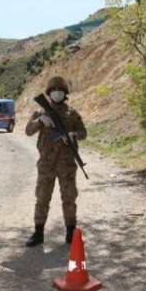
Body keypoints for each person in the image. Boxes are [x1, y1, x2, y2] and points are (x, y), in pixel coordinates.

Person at [25, 76, 87, 247]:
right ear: (49, 93)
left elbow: (84, 132)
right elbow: (28, 131)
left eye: (59, 89)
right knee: (42, 197)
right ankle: (38, 233)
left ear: (65, 92)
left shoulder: (72, 113)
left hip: (67, 164)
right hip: (47, 163)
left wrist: (73, 135)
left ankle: (70, 232)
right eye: (53, 90)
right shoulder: (40, 112)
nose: (56, 92)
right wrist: (39, 121)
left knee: (69, 197)